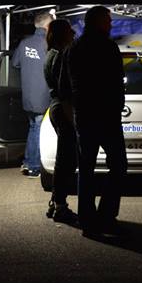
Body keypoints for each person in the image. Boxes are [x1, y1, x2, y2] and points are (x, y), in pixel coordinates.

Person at [60, 6, 127, 239]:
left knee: (86, 169)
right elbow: (117, 82)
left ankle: (88, 221)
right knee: (118, 166)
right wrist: (117, 107)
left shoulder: (73, 49)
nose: (111, 24)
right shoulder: (108, 47)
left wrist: (73, 116)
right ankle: (106, 216)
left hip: (85, 116)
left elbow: (64, 88)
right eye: (108, 20)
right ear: (99, 22)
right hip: (107, 117)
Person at [43, 19, 78, 225]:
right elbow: (64, 91)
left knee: (64, 159)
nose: (73, 34)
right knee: (66, 160)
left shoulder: (52, 54)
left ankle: (56, 202)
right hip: (64, 109)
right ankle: (60, 206)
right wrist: (71, 117)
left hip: (58, 108)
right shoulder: (61, 56)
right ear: (63, 34)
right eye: (70, 31)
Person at [12, 11, 53, 178]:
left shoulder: (24, 43)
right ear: (48, 26)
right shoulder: (47, 44)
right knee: (38, 129)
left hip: (28, 95)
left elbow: (15, 63)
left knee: (33, 127)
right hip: (42, 96)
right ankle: (34, 166)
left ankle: (29, 162)